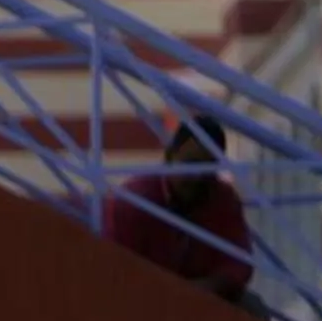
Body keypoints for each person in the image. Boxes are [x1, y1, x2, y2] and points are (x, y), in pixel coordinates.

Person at [102, 117, 254, 305]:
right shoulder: (132, 202)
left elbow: (240, 264)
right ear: (169, 158)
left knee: (253, 307)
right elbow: (118, 271)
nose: (199, 176)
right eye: (191, 163)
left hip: (203, 302)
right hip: (142, 302)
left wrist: (207, 287)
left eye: (209, 168)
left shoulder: (224, 200)